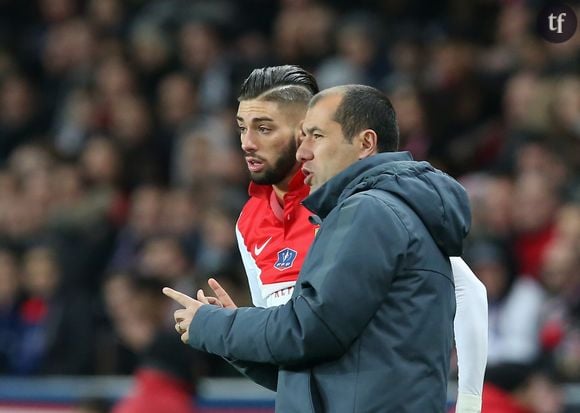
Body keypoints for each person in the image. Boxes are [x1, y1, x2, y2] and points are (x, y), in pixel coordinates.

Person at [165, 85, 477, 412]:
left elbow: (308, 330)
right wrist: (231, 337)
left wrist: (211, 324)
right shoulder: (390, 211)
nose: (302, 152)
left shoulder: (369, 211)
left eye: (316, 136)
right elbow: (312, 368)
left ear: (365, 143)